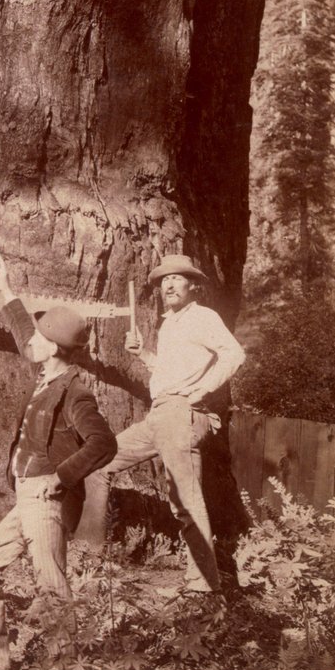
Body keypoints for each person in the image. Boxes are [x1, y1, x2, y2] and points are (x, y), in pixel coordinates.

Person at [0, 256, 117, 670]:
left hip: (46, 498)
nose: (35, 339)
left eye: (42, 334)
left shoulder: (74, 392)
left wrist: (61, 476)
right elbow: (24, 338)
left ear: (53, 346)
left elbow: (103, 443)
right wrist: (6, 291)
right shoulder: (48, 374)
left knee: (51, 588)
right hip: (28, 496)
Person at [87, 253, 245, 598]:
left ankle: (204, 589)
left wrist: (200, 391)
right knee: (98, 465)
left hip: (181, 413)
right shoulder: (170, 323)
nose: (169, 284)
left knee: (184, 501)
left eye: (177, 278)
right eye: (163, 280)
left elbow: (234, 354)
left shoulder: (202, 316)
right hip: (159, 415)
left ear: (193, 286)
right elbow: (171, 372)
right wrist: (143, 354)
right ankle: (88, 557)